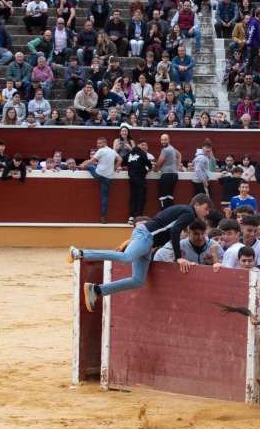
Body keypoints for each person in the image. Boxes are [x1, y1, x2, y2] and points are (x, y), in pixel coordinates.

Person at [75, 194, 214, 312]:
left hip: (149, 242)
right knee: (126, 257)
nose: (207, 213)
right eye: (206, 209)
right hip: (146, 236)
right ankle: (81, 253)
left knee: (138, 281)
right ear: (197, 205)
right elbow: (174, 231)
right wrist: (178, 258)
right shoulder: (189, 212)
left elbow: (170, 230)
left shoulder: (185, 212)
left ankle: (97, 290)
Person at [80, 137, 121, 224]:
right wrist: (115, 167)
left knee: (90, 167)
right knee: (105, 195)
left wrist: (83, 166)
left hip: (99, 174)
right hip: (109, 177)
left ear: (105, 143)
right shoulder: (112, 151)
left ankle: (103, 215)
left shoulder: (101, 151)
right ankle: (103, 215)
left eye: (100, 143)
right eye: (98, 143)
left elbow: (91, 161)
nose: (98, 145)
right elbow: (120, 159)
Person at [122, 138, 152, 224]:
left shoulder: (130, 153)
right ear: (138, 145)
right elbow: (149, 165)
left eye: (145, 145)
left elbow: (122, 161)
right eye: (143, 145)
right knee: (141, 198)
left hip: (131, 179)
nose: (144, 147)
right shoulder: (142, 154)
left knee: (133, 197)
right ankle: (138, 217)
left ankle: (131, 217)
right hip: (140, 179)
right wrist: (146, 170)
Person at [154, 134, 180, 210]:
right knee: (170, 196)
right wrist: (176, 168)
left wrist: (155, 169)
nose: (163, 141)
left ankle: (164, 215)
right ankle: (171, 215)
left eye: (165, 139)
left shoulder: (165, 150)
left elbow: (159, 163)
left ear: (169, 140)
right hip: (174, 174)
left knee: (163, 197)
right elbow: (179, 155)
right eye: (162, 140)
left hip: (166, 175)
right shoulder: (172, 148)